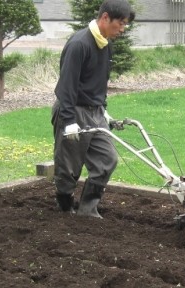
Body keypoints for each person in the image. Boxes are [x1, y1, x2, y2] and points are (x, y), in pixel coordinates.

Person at [51, 0, 134, 218]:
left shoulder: (105, 44)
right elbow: (67, 85)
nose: (123, 29)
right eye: (121, 23)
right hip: (73, 109)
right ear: (105, 18)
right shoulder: (80, 44)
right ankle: (65, 209)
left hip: (94, 111)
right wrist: (68, 121)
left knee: (107, 159)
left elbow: (98, 82)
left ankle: (87, 210)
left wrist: (103, 110)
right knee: (69, 167)